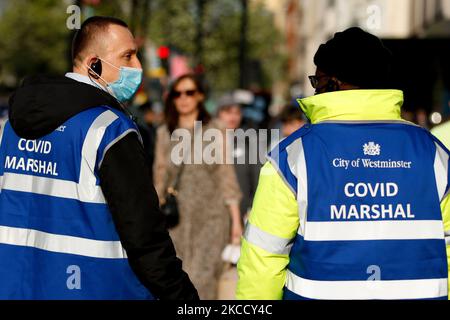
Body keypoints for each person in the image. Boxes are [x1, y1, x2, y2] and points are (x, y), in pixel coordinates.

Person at [237, 27, 450, 300]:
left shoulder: (294, 156)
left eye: (317, 81)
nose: (314, 90)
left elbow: (263, 260)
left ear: (333, 82)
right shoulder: (431, 152)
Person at [0, 16, 198, 300]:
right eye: (127, 56)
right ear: (94, 64)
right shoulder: (110, 129)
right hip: (95, 285)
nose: (138, 67)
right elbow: (144, 235)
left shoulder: (12, 127)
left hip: (17, 283)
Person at [154, 74, 243, 300]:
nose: (183, 98)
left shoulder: (215, 129)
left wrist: (235, 221)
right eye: (178, 93)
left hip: (212, 219)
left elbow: (226, 174)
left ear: (200, 96)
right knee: (178, 279)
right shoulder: (165, 132)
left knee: (203, 280)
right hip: (177, 221)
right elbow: (160, 176)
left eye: (190, 92)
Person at [216, 94, 261, 220]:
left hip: (243, 212)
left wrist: (253, 207)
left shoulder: (249, 140)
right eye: (228, 112)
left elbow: (257, 177)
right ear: (218, 113)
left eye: (237, 112)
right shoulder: (207, 142)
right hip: (215, 213)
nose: (233, 117)